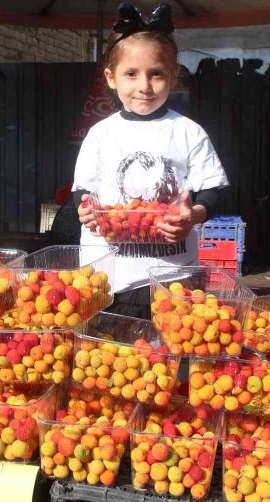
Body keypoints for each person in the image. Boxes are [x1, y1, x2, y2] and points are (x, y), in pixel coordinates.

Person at [73, 2, 228, 319]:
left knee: (167, 358)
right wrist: (85, 210)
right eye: (131, 74)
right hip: (109, 278)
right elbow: (82, 190)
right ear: (111, 78)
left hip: (173, 276)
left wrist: (193, 216)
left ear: (173, 77)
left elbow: (214, 190)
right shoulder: (101, 134)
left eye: (156, 74)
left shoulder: (187, 132)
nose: (144, 86)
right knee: (112, 359)